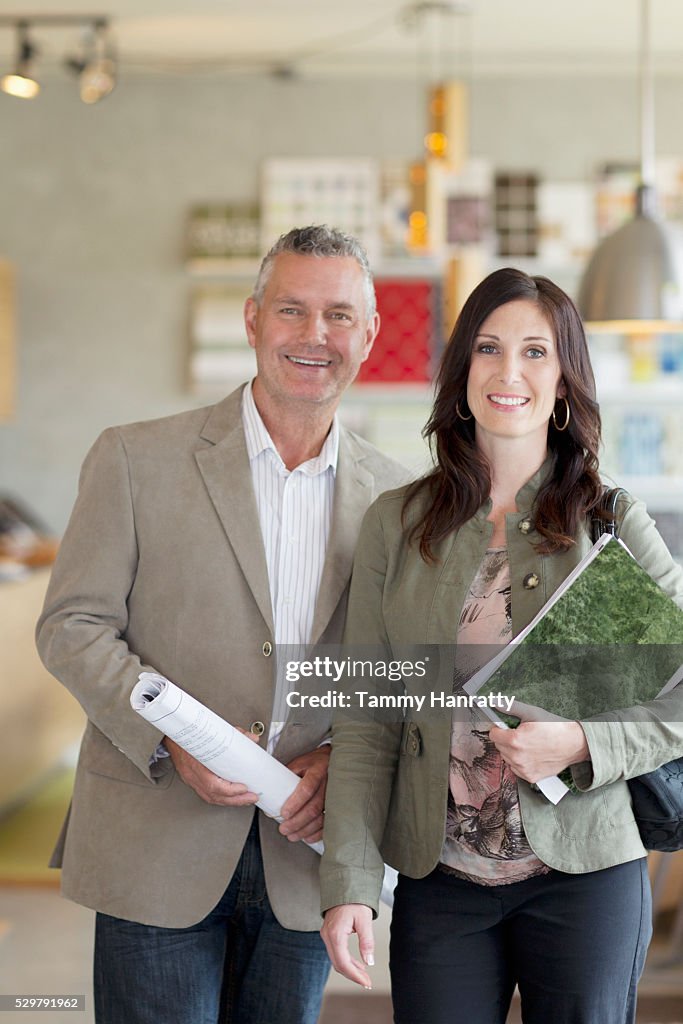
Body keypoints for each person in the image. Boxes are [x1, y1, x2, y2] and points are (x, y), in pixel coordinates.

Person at [36, 224, 409, 1024]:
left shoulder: (400, 498)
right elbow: (73, 625)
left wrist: (343, 754)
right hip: (154, 833)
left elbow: (398, 667)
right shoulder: (135, 459)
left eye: (340, 315)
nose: (315, 335)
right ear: (252, 321)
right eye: (292, 311)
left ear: (370, 333)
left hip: (304, 852)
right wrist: (172, 739)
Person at [319, 267, 683, 1024]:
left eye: (534, 352)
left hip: (586, 869)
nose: (508, 371)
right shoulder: (397, 523)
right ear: (461, 375)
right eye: (487, 348)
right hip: (440, 877)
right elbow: (365, 721)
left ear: (562, 382)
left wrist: (582, 741)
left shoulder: (609, 520)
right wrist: (349, 883)